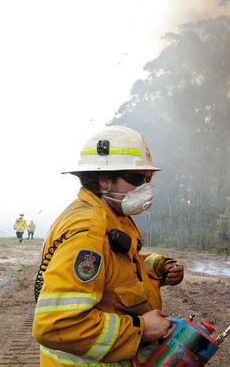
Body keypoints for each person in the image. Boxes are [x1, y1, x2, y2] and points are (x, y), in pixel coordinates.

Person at [32, 126, 185, 367]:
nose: (146, 188)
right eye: (136, 179)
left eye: (148, 179)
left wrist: (158, 266)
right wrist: (141, 329)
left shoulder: (111, 216)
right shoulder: (89, 233)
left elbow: (117, 265)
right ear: (104, 179)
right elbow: (56, 325)